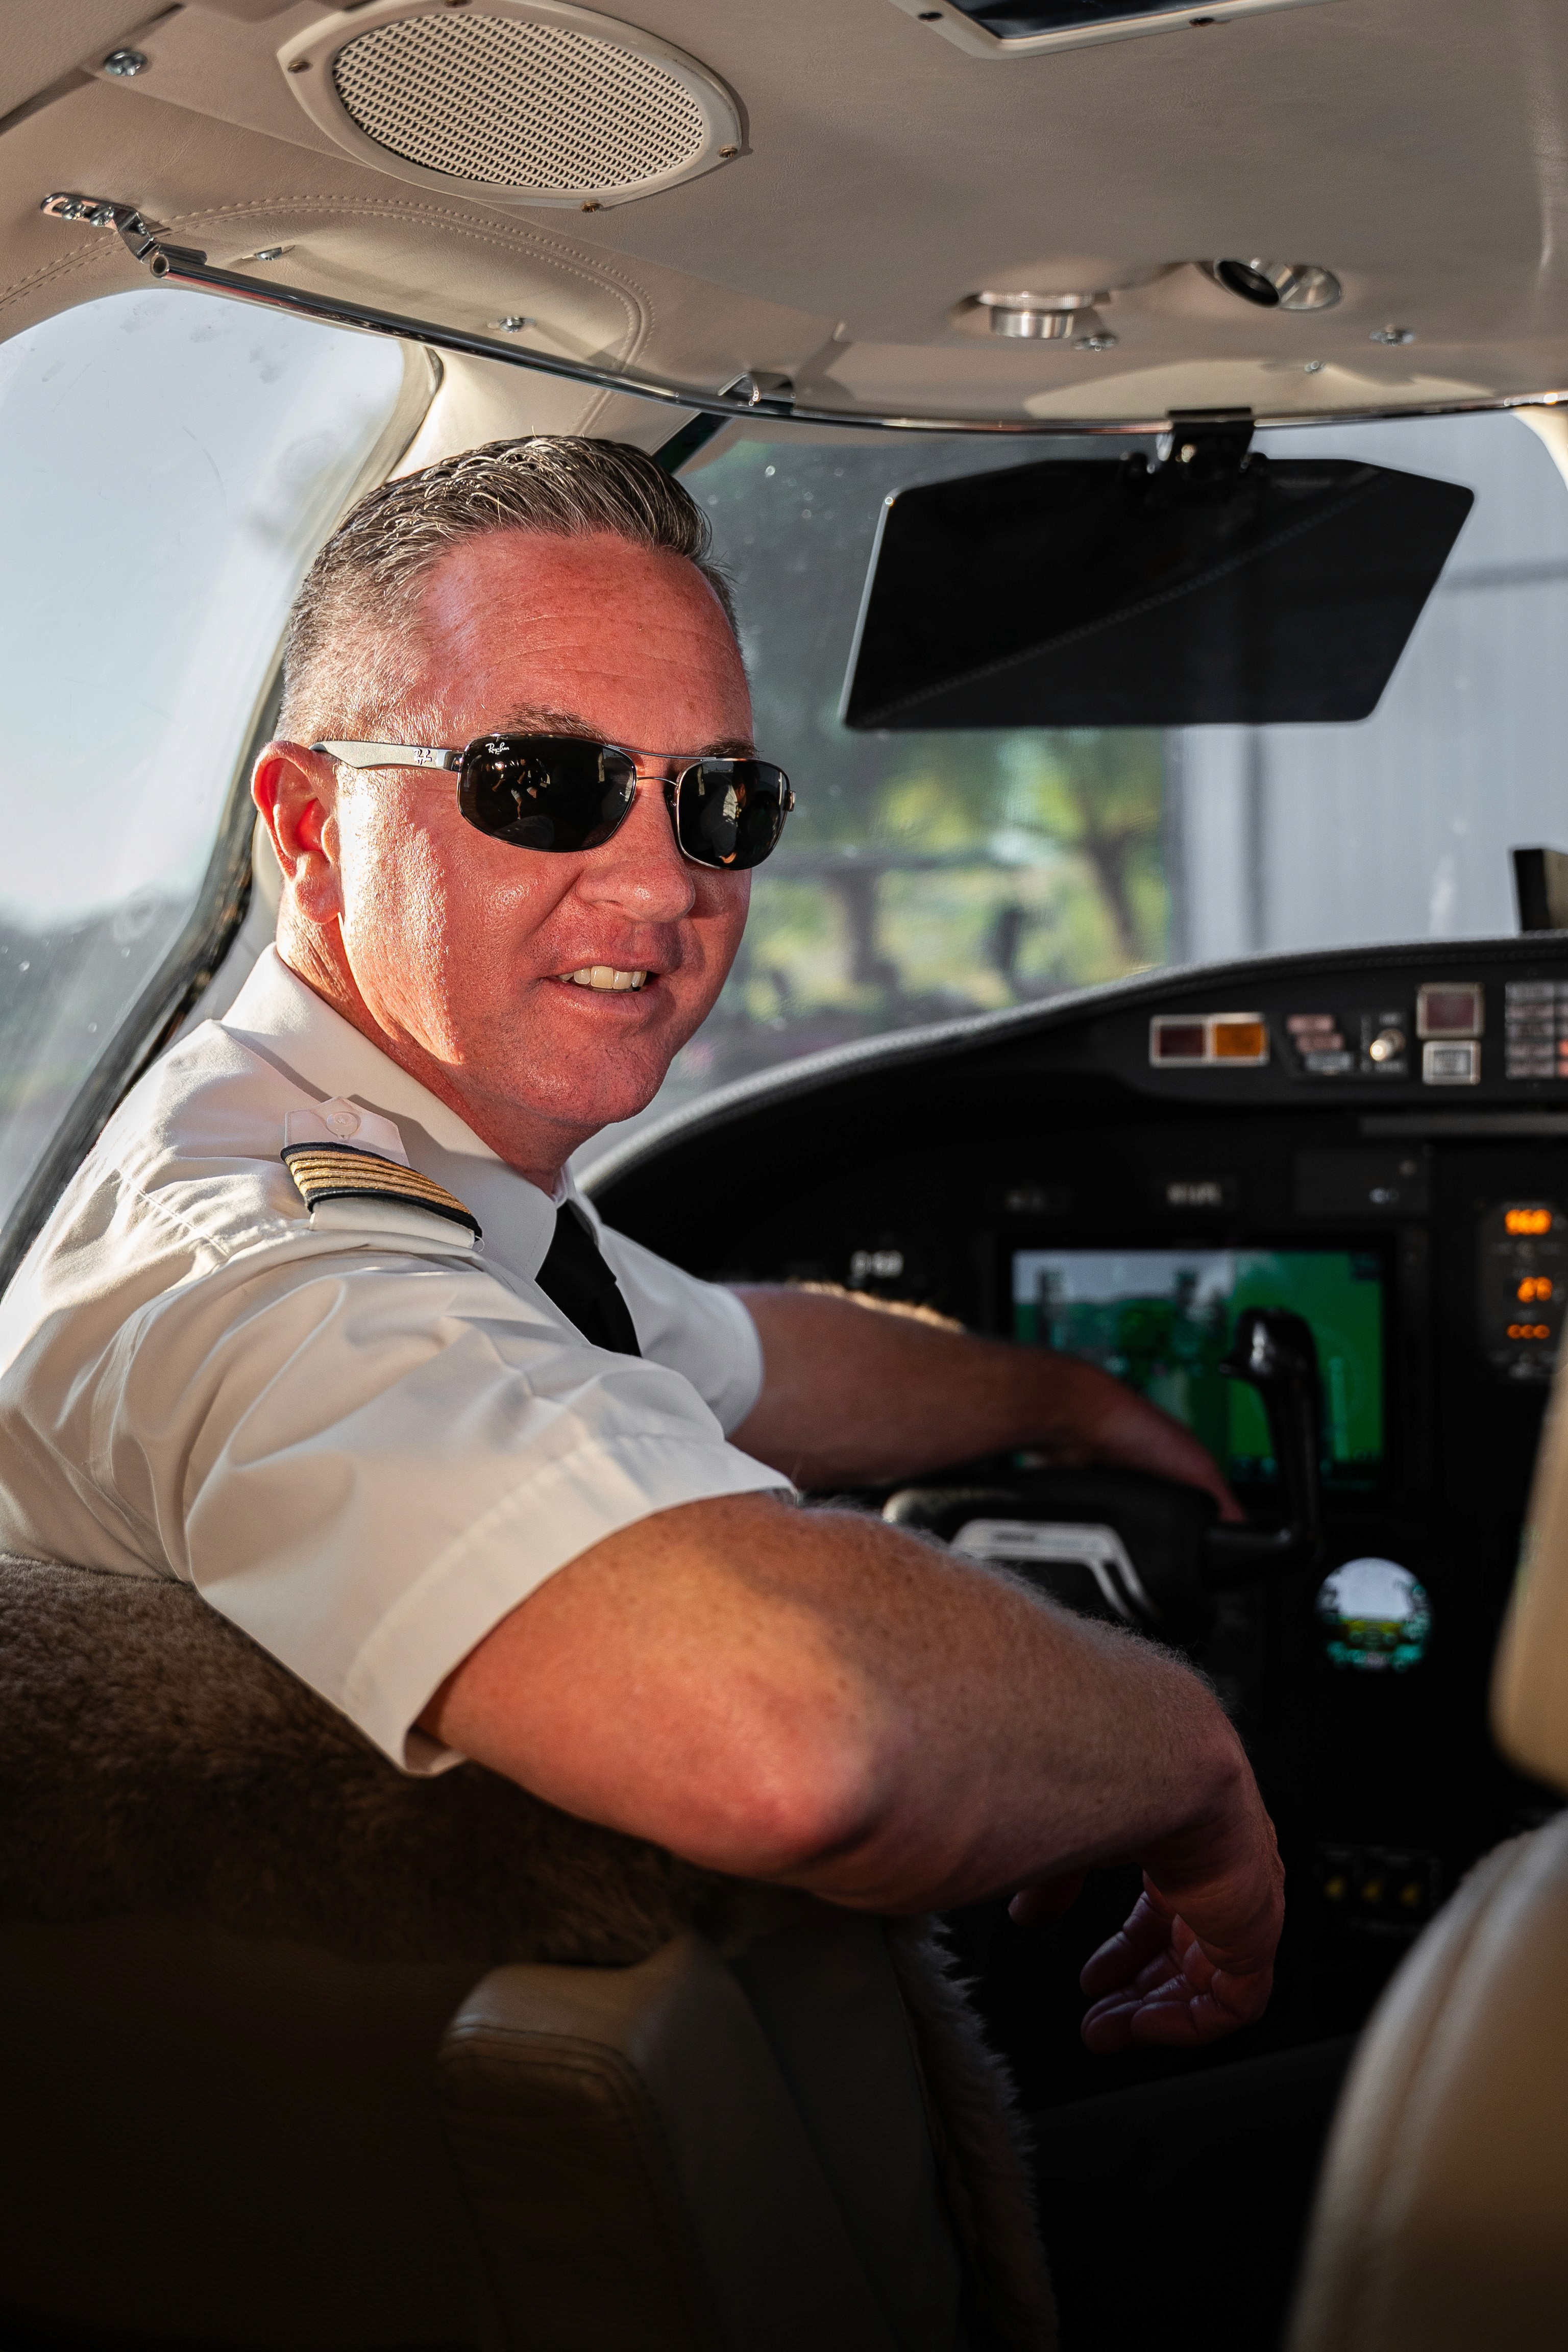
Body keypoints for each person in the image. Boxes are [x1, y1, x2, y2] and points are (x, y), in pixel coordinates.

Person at [0, 437, 1281, 2054]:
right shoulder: (260, 1278)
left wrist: (1062, 1404)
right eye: (547, 784)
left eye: (719, 801)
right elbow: (793, 1734)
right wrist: (1191, 1752)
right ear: (309, 826)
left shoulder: (427, 1190)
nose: (665, 879)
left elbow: (745, 1351)